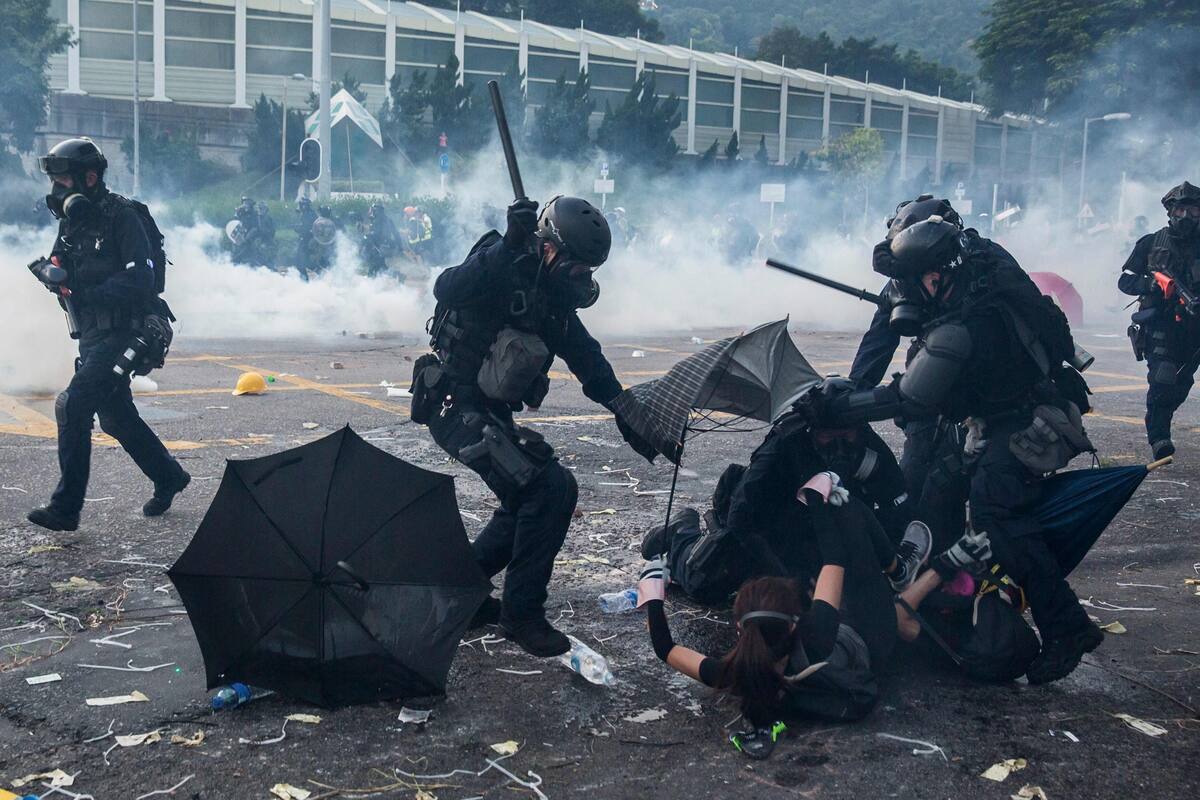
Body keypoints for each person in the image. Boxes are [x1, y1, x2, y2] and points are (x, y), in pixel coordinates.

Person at [805, 211, 1103, 684]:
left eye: (913, 280)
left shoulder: (961, 324)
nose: (906, 292)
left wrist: (841, 408)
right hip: (998, 414)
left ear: (937, 274)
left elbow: (908, 398)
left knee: (994, 512)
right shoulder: (975, 271)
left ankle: (1069, 627)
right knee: (938, 490)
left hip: (1028, 420)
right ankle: (942, 596)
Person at [413, 196, 655, 657]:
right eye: (578, 267)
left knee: (528, 494)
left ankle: (456, 591)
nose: (583, 279)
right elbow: (447, 288)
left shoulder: (551, 299)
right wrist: (506, 247)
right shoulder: (500, 260)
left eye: (590, 271)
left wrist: (624, 409)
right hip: (454, 404)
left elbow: (585, 355)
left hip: (490, 412)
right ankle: (521, 615)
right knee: (548, 488)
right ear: (549, 249)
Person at [638, 490, 993, 754]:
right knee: (879, 581)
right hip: (869, 643)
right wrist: (818, 498)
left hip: (847, 655)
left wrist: (654, 595)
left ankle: (932, 571)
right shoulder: (819, 631)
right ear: (796, 622)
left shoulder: (737, 674)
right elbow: (835, 556)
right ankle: (915, 569)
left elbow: (664, 647)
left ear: (739, 629)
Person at [26, 138, 190, 532]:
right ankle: (169, 477)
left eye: (64, 180)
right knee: (116, 418)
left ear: (90, 177)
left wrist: (83, 289)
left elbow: (142, 279)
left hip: (129, 330)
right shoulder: (72, 221)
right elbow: (60, 262)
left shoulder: (123, 216)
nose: (58, 190)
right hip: (94, 335)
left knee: (73, 405)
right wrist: (53, 276)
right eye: (55, 181)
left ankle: (66, 509)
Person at [1119, 181, 1200, 459]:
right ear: (1170, 212)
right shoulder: (1152, 242)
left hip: (1195, 327)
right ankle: (1159, 437)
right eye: (1181, 210)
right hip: (1162, 326)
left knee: (1181, 384)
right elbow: (1124, 280)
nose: (1186, 217)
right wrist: (1152, 285)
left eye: (1193, 210)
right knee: (1163, 379)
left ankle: (1162, 416)